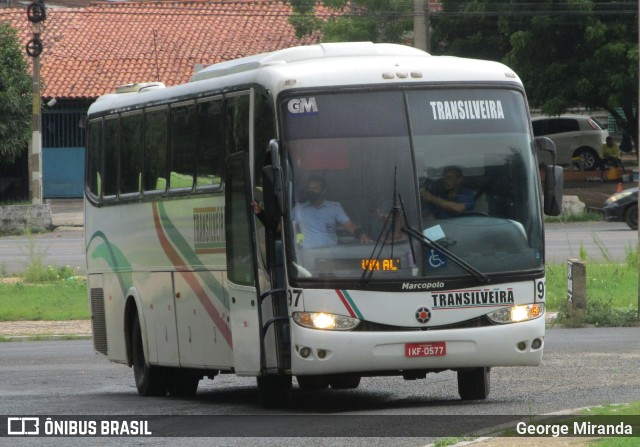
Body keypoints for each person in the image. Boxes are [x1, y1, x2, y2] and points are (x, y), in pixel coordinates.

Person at [252, 176, 371, 249]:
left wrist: (361, 234)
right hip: (307, 259)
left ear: (323, 191)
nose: (310, 191)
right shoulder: (299, 209)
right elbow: (279, 228)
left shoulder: (334, 207)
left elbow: (349, 225)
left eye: (315, 189)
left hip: (332, 256)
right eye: (309, 188)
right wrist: (261, 214)